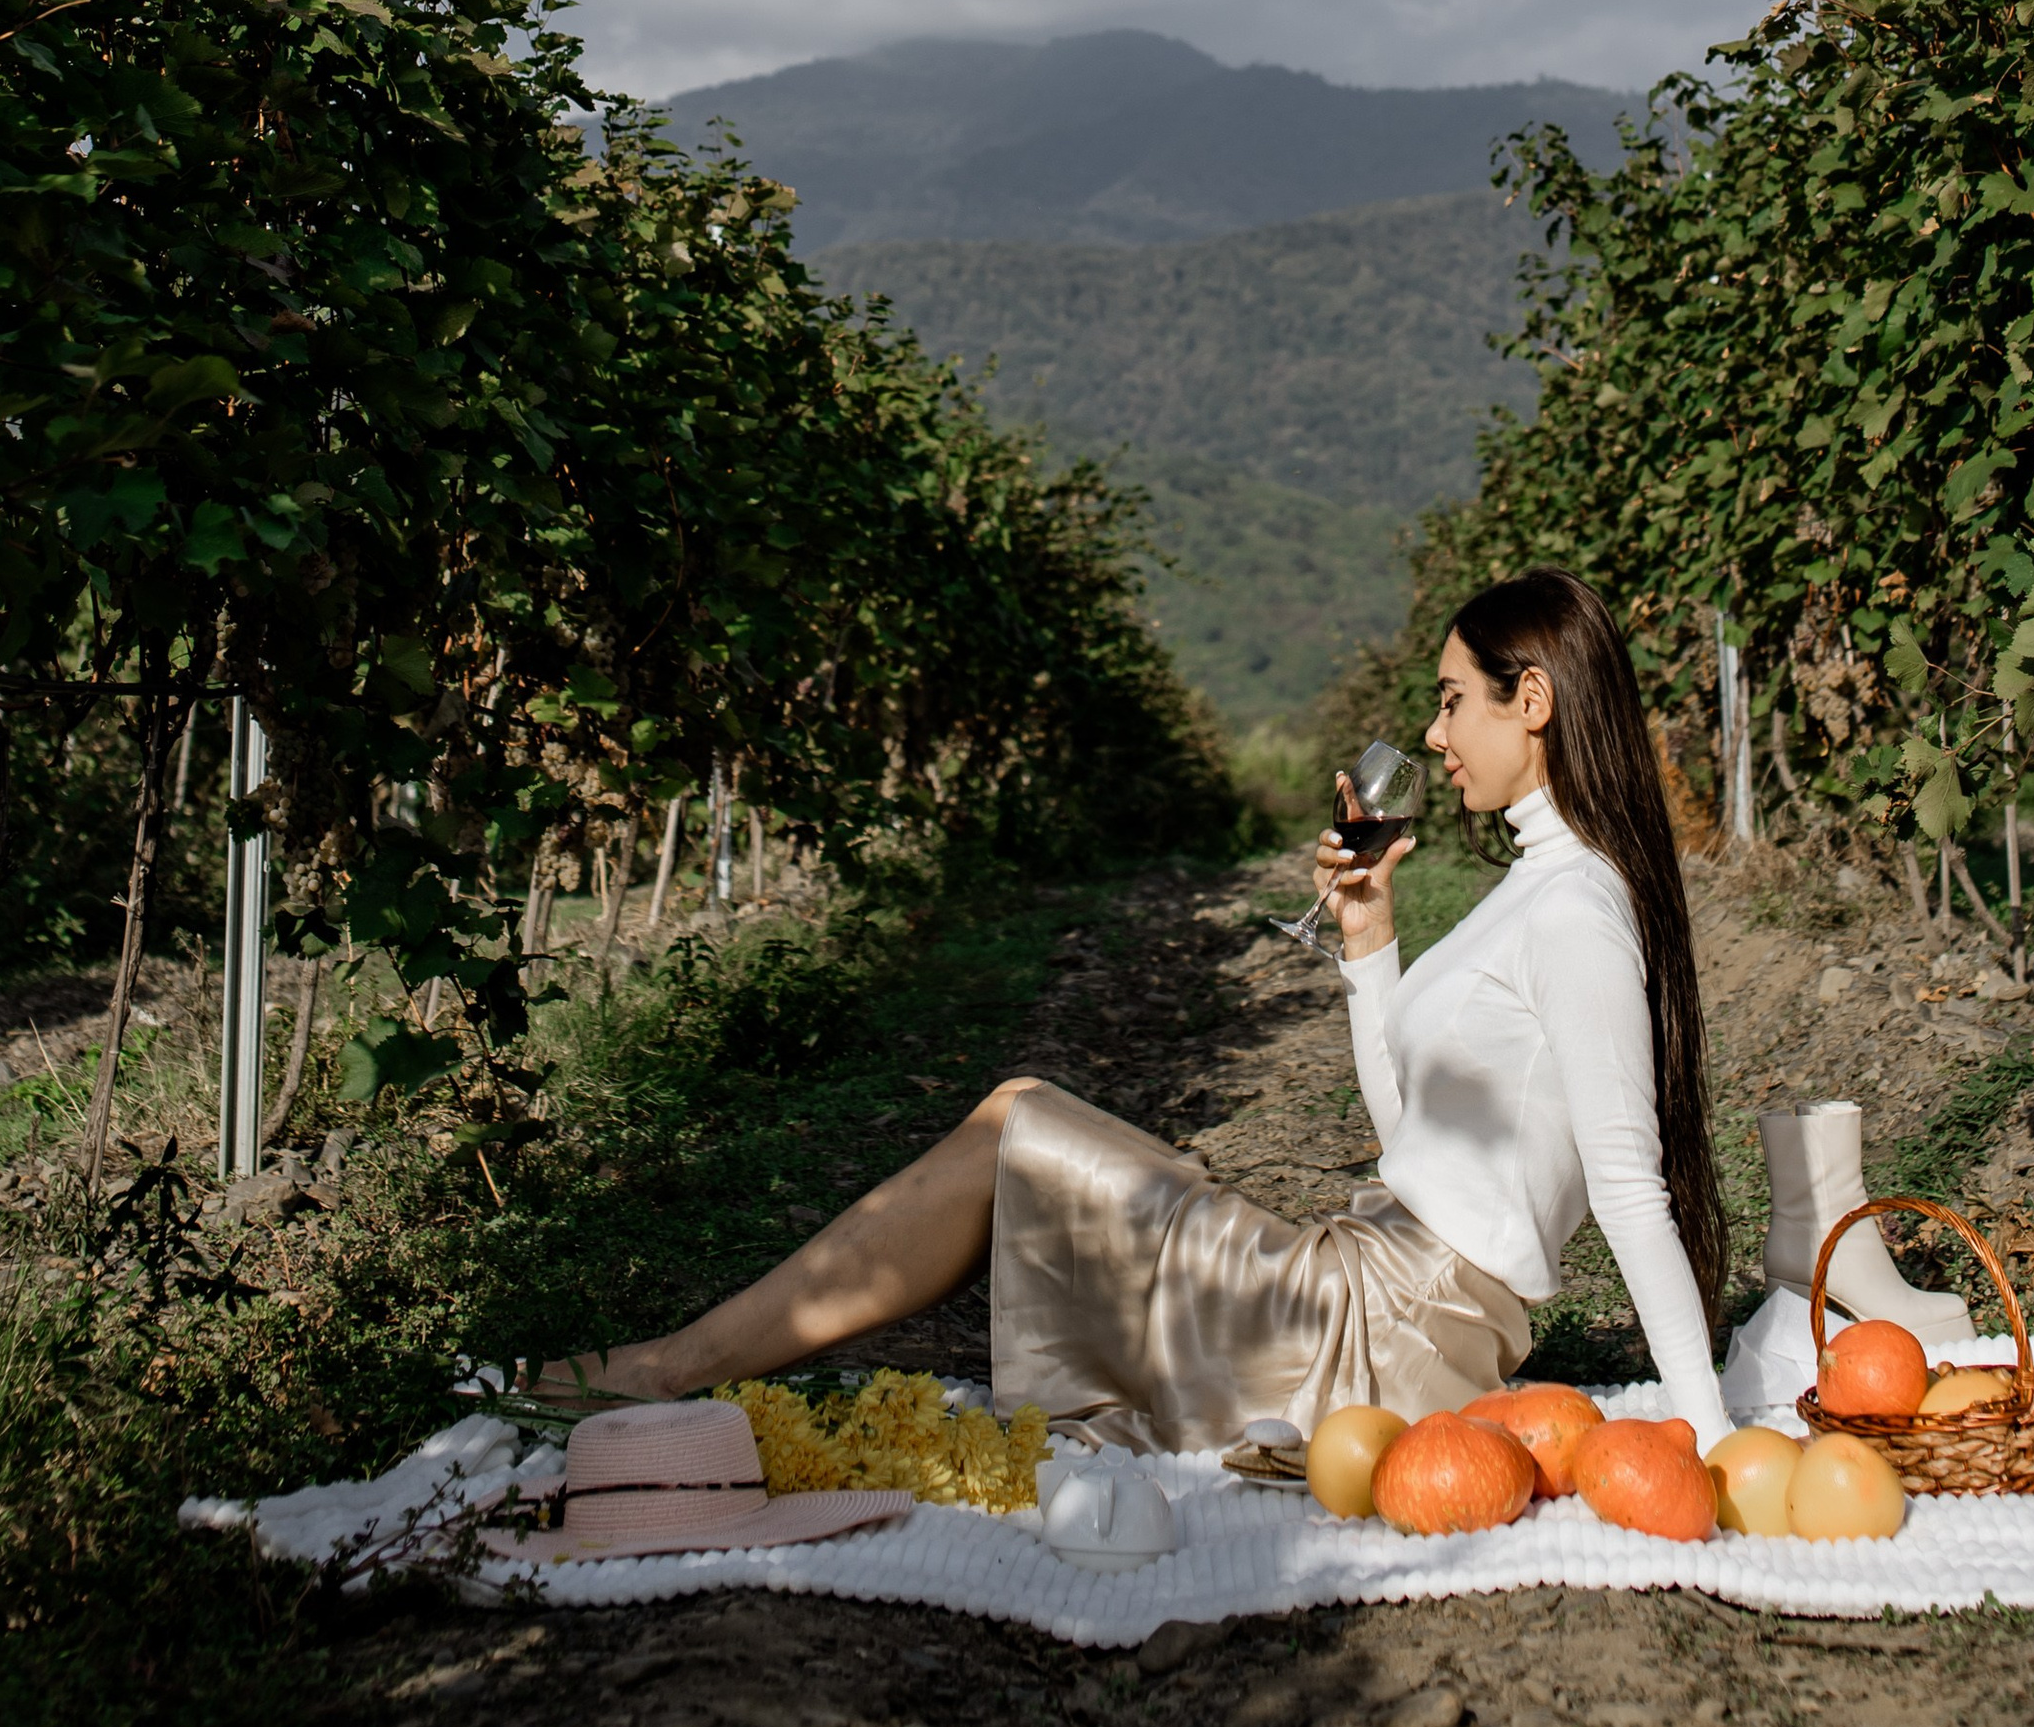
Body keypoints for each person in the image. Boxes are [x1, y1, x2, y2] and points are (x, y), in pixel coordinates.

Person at [538, 568, 1731, 1452]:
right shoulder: (1544, 885)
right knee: (1033, 1126)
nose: (1431, 732)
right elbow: (1415, 1138)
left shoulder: (1574, 906)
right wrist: (1368, 942)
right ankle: (675, 1364)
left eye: (1451, 700)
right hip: (1378, 1298)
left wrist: (1708, 1434)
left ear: (1532, 699)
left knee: (1016, 1124)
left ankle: (669, 1367)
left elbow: (1629, 1183)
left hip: (1386, 1330)